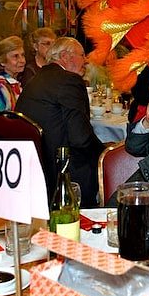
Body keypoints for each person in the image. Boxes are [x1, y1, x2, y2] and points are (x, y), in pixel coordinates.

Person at [15, 37, 103, 207]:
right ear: (65, 56)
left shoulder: (36, 79)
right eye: (82, 55)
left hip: (36, 168)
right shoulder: (69, 80)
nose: (86, 61)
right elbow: (80, 138)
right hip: (62, 172)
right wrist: (104, 153)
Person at [0, 36, 26, 114]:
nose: (22, 60)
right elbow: (4, 122)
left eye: (23, 55)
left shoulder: (14, 82)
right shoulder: (0, 86)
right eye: (16, 56)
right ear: (2, 61)